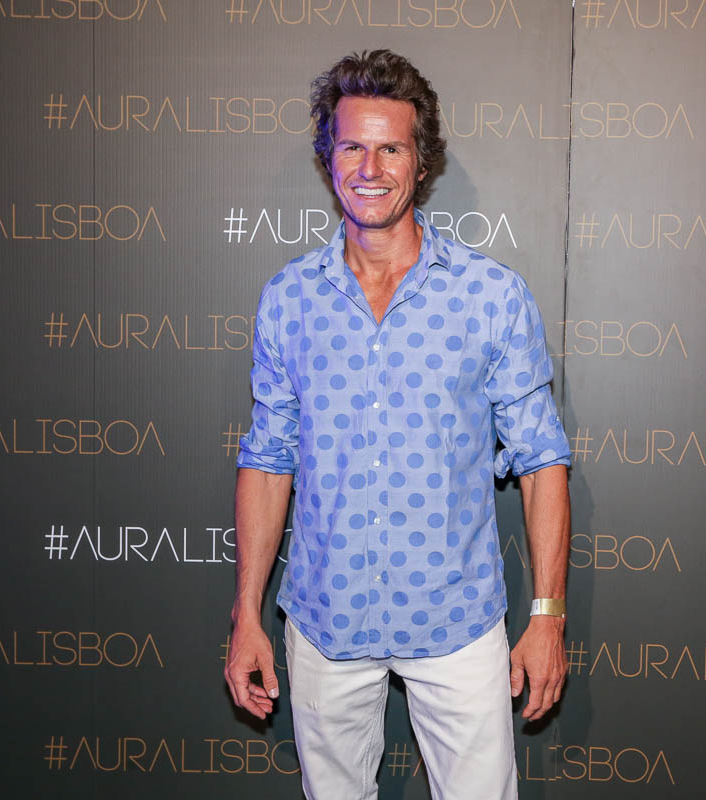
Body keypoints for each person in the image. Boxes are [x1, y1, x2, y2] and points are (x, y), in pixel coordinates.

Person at [224, 49, 572, 800]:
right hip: (326, 618)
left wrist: (547, 616)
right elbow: (269, 459)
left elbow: (542, 459)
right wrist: (246, 614)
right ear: (329, 159)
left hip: (456, 619)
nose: (370, 167)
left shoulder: (491, 296)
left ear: (421, 161)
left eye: (391, 148)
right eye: (352, 146)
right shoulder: (289, 299)